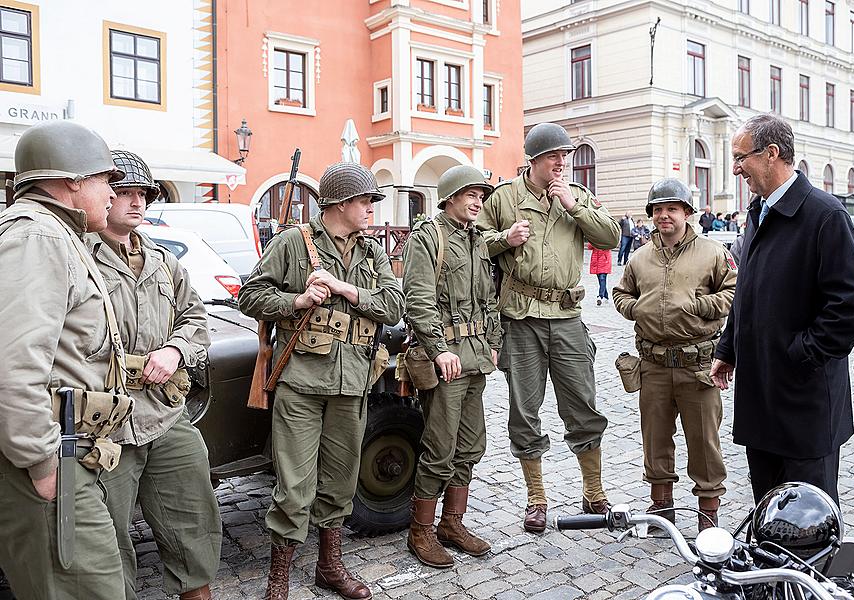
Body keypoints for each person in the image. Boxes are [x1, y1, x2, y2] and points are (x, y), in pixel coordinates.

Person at [239, 162, 404, 600]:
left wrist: (346, 290)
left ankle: (330, 567)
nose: (371, 209)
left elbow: (392, 305)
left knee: (341, 482)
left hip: (353, 384)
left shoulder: (371, 252)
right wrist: (296, 299)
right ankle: (279, 580)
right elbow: (249, 295)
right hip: (302, 385)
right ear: (342, 203)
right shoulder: (294, 243)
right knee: (294, 488)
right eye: (366, 200)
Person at [710, 114, 854, 505]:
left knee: (809, 513)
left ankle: (811, 569)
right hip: (761, 397)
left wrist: (802, 354)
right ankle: (771, 566)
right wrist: (728, 349)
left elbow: (853, 304)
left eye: (740, 157)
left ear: (771, 153)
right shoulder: (757, 213)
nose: (735, 168)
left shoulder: (824, 214)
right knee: (768, 508)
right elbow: (747, 291)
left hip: (805, 401)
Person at [0, 120, 130, 599]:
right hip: (51, 459)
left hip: (65, 452)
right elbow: (13, 367)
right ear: (73, 181)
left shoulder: (53, 234)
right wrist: (40, 462)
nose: (112, 194)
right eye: (105, 180)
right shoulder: (41, 238)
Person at [87, 150, 221, 600]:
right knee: (106, 536)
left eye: (142, 193)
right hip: (105, 423)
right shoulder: (79, 258)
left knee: (193, 515)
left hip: (164, 412)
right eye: (124, 192)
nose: (136, 201)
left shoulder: (164, 261)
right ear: (105, 196)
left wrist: (174, 349)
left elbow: (196, 317)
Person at [477, 122, 621, 533]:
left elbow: (611, 237)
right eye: (554, 156)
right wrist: (505, 238)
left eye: (565, 156)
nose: (561, 163)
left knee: (583, 405)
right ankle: (536, 498)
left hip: (568, 318)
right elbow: (476, 242)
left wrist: (575, 207)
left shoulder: (577, 195)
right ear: (534, 159)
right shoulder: (504, 199)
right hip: (521, 318)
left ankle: (593, 492)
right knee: (525, 410)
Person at [613, 178, 736, 532]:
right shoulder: (639, 257)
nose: (664, 216)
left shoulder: (712, 252)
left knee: (704, 443)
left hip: (698, 367)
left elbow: (732, 292)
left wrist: (697, 305)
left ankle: (708, 515)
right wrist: (637, 309)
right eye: (658, 210)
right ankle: (661, 505)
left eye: (672, 209)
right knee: (655, 439)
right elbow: (622, 294)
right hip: (652, 365)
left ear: (686, 213)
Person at [402, 165, 501, 568]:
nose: (477, 201)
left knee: (471, 443)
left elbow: (489, 297)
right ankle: (420, 531)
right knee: (439, 447)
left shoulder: (478, 239)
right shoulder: (429, 237)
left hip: (476, 357)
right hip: (446, 358)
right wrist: (439, 348)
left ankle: (452, 523)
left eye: (480, 195)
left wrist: (493, 342)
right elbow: (418, 299)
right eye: (470, 194)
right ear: (449, 197)